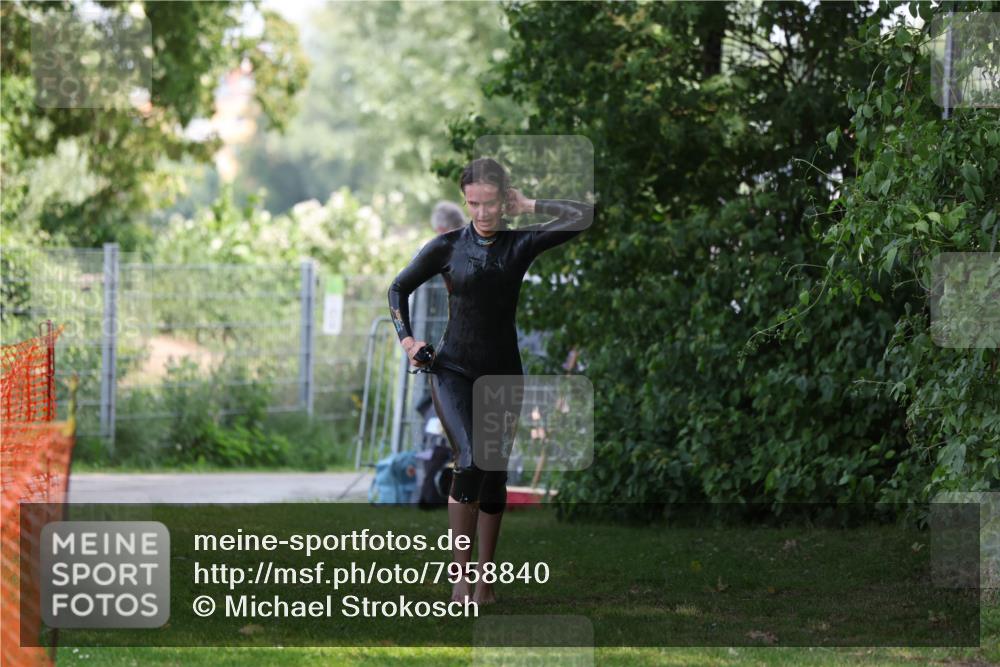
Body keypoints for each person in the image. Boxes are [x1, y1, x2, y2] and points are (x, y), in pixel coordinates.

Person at [387, 157, 594, 604]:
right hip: (452, 370)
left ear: (504, 199)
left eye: (490, 203)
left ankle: (485, 580)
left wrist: (530, 204)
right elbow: (397, 289)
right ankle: (459, 578)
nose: (482, 213)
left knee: (495, 474)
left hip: (502, 372)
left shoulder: (520, 245)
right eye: (473, 203)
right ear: (465, 201)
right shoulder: (447, 247)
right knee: (471, 460)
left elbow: (583, 215)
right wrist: (408, 341)